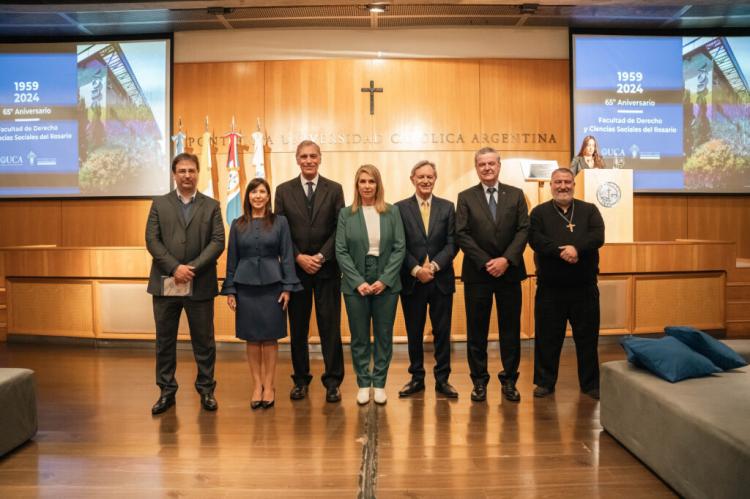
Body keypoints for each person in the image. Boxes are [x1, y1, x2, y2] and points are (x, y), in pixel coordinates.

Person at [146, 152, 225, 415]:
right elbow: (152, 240)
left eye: (191, 171)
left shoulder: (211, 205)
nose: (187, 175)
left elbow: (217, 241)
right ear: (174, 174)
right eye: (182, 171)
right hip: (166, 282)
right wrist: (174, 268)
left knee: (204, 341)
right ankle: (166, 391)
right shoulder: (159, 204)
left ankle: (206, 390)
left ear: (197, 173)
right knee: (164, 341)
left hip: (199, 282)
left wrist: (190, 269)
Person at [456, 147, 529, 403]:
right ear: (477, 167)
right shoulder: (465, 197)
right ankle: (479, 382)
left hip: (509, 274)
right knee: (477, 332)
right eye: (482, 164)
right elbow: (461, 233)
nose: (487, 168)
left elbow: (523, 230)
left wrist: (506, 260)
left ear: (499, 166)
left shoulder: (517, 195)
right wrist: (488, 262)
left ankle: (509, 380)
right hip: (479, 274)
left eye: (491, 163)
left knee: (510, 330)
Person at [221, 178, 302, 410]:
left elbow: (287, 256)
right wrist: (230, 290)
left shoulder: (280, 222)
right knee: (252, 338)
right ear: (247, 196)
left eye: (262, 192)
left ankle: (270, 385)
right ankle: (256, 385)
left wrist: (288, 287)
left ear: (268, 197)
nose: (258, 196)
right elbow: (232, 260)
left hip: (273, 285)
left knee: (270, 337)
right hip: (245, 287)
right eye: (254, 192)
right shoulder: (237, 224)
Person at [275, 140, 346, 403]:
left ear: (320, 158)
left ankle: (333, 382)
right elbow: (281, 230)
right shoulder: (283, 191)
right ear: (296, 159)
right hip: (296, 272)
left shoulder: (335, 189)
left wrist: (320, 256)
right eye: (303, 156)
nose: (308, 160)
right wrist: (298, 257)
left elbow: (340, 228)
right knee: (299, 329)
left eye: (313, 156)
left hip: (327, 270)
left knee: (330, 328)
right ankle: (301, 380)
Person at [528, 168, 605, 400]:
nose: (563, 186)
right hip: (551, 288)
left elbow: (597, 236)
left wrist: (576, 248)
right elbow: (535, 239)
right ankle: (545, 382)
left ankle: (590, 384)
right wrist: (561, 251)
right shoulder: (539, 213)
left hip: (584, 287)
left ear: (573, 184)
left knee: (587, 338)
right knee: (547, 338)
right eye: (558, 182)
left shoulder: (589, 210)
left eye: (567, 182)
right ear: (551, 185)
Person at [335, 164, 405, 405]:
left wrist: (385, 280)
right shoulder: (346, 214)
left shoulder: (392, 212)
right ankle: (364, 383)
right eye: (362, 181)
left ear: (378, 185)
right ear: (357, 185)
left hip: (386, 279)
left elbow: (399, 247)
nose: (367, 186)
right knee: (360, 336)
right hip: (356, 281)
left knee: (384, 336)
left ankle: (380, 383)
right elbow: (341, 251)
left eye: (371, 181)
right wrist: (357, 282)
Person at [395, 160, 458, 399]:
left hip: (440, 279)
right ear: (412, 179)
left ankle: (443, 379)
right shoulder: (399, 208)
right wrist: (415, 269)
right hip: (412, 282)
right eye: (420, 177)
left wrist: (433, 266)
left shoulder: (447, 207)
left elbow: (453, 243)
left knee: (442, 332)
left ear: (435, 179)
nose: (425, 181)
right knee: (414, 332)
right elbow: (398, 245)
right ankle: (417, 378)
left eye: (430, 177)